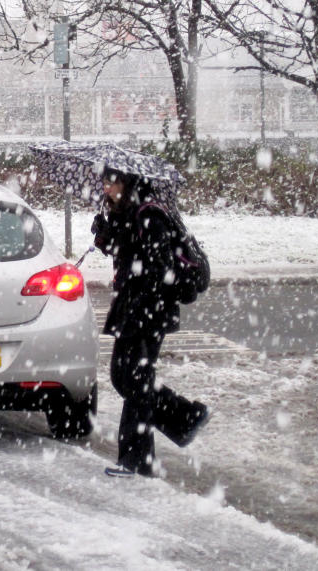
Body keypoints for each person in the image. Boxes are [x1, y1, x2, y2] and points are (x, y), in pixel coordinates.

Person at [91, 167, 211, 478]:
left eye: (110, 180)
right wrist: (105, 232)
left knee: (136, 381)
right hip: (132, 305)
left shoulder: (150, 214)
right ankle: (185, 417)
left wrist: (142, 304)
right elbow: (125, 252)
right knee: (123, 377)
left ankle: (136, 459)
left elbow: (161, 269)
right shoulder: (129, 212)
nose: (105, 187)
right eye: (104, 181)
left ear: (127, 182)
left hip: (148, 310)